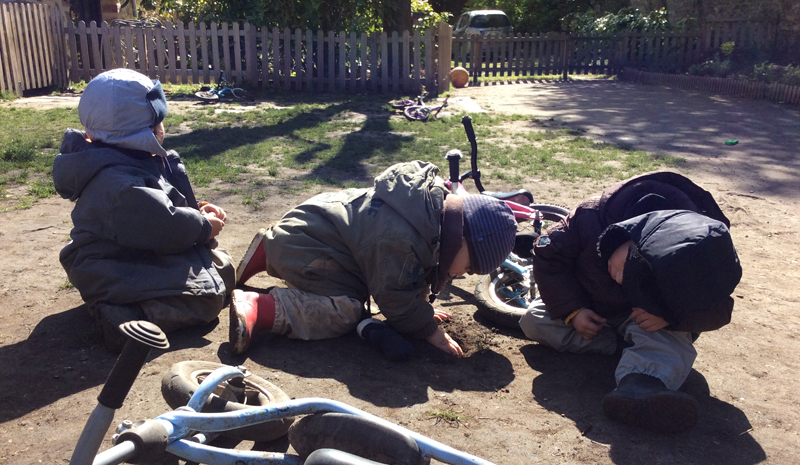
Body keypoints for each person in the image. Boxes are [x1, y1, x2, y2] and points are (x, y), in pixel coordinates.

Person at [519, 172, 742, 433]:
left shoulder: (699, 248)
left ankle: (643, 386)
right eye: (625, 266)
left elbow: (718, 306)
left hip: (648, 320)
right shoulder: (591, 217)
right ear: (625, 235)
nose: (622, 278)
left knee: (669, 345)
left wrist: (671, 316)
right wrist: (574, 311)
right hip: (593, 308)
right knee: (534, 320)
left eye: (637, 275)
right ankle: (626, 349)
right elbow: (549, 256)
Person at [231, 161, 517, 358]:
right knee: (346, 311)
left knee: (358, 283)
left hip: (305, 232)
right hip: (306, 248)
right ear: (461, 238)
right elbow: (393, 295)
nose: (464, 275)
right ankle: (262, 307)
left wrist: (419, 305)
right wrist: (428, 329)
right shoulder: (403, 240)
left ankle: (266, 251)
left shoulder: (423, 210)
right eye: (468, 266)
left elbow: (414, 270)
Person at [53, 69, 235, 351]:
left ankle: (135, 301)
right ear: (148, 130)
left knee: (222, 266)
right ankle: (125, 318)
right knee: (208, 298)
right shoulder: (121, 186)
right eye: (158, 121)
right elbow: (166, 226)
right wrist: (202, 225)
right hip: (111, 264)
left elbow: (159, 206)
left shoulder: (127, 156)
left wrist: (197, 209)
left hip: (134, 249)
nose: (162, 127)